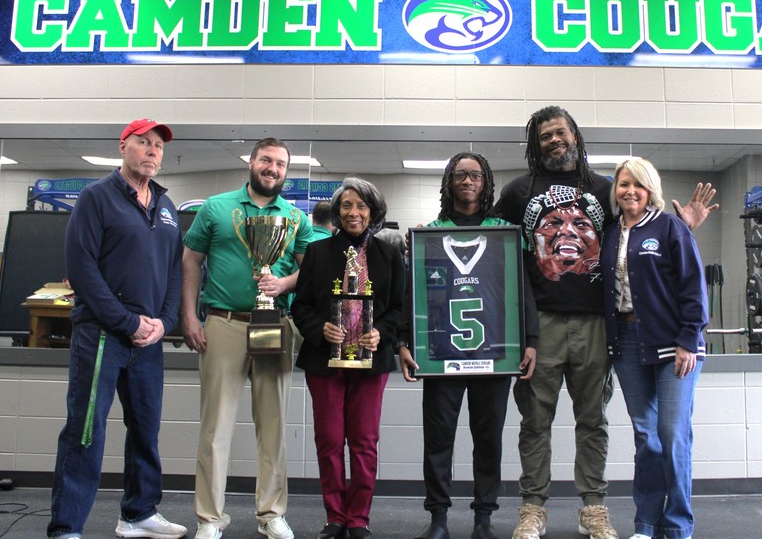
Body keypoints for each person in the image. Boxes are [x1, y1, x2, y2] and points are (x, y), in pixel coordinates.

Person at [493, 106, 717, 539]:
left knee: (592, 420)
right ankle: (533, 508)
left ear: (575, 136)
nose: (555, 140)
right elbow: (487, 238)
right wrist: (444, 234)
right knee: (534, 420)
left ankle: (593, 507)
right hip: (540, 324)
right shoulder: (519, 190)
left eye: (561, 132)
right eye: (545, 136)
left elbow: (641, 232)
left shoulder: (604, 190)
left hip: (598, 323)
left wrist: (680, 227)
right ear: (535, 144)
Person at [47, 119, 186, 539]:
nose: (152, 151)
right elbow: (82, 269)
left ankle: (139, 513)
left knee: (146, 429)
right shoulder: (96, 198)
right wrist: (126, 322)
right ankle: (67, 527)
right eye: (144, 143)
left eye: (158, 146)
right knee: (85, 431)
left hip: (149, 342)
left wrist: (164, 322)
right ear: (123, 147)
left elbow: (174, 272)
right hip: (103, 336)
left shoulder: (166, 207)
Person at [397, 153, 539, 539]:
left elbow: (521, 289)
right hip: (441, 353)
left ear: (486, 181)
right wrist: (405, 341)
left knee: (488, 438)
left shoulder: (503, 232)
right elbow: (414, 294)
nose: (468, 181)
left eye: (475, 175)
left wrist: (530, 340)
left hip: (494, 353)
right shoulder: (431, 232)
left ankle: (484, 519)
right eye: (460, 174)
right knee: (438, 438)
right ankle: (438, 518)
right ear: (449, 181)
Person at [181, 138, 313, 539]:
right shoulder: (216, 208)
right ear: (252, 162)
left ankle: (271, 513)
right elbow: (190, 262)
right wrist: (189, 316)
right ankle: (209, 517)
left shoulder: (296, 218)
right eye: (266, 160)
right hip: (223, 322)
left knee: (272, 424)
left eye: (281, 164)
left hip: (274, 323)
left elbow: (307, 273)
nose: (273, 168)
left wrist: (281, 283)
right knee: (215, 426)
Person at [291, 177, 404, 539]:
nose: (353, 213)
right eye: (346, 206)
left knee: (364, 441)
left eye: (361, 206)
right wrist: (319, 329)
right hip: (325, 361)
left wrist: (382, 333)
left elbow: (400, 309)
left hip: (372, 361)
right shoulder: (318, 252)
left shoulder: (389, 255)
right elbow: (301, 306)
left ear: (373, 212)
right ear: (337, 212)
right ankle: (334, 517)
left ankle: (359, 519)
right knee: (328, 438)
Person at [601, 158, 707, 539]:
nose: (630, 190)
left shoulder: (670, 227)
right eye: (623, 183)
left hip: (675, 345)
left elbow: (693, 288)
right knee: (646, 436)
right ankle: (646, 524)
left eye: (638, 185)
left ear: (651, 191)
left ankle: (678, 524)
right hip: (627, 343)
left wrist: (688, 340)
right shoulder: (610, 233)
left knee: (673, 432)